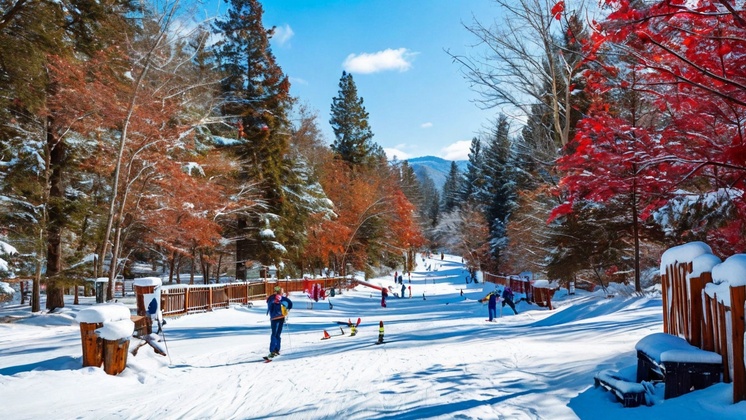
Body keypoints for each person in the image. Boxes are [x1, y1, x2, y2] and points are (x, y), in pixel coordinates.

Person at [266, 286, 292, 359]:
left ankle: (276, 350)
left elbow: (289, 304)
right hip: (275, 318)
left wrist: (286, 308)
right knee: (275, 334)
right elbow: (270, 304)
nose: (282, 293)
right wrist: (275, 301)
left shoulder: (280, 298)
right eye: (281, 292)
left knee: (277, 334)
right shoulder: (272, 298)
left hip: (280, 318)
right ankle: (273, 350)